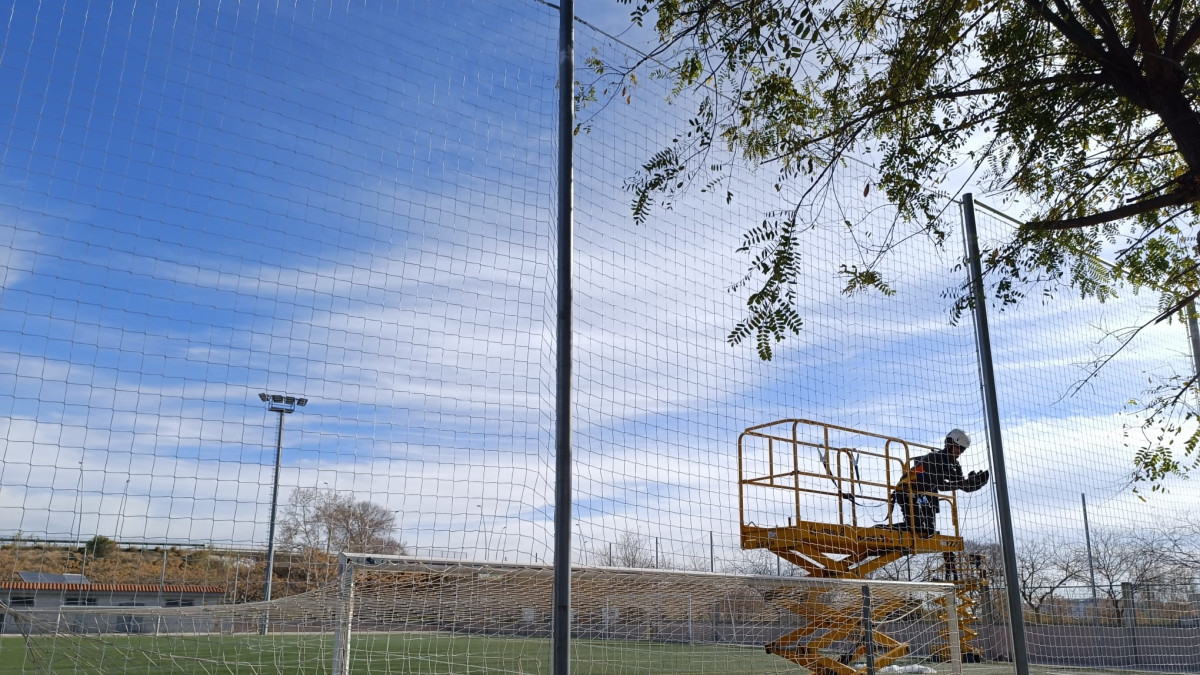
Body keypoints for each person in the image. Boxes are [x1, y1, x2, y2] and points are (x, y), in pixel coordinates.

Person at [890, 429, 989, 537]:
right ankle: (884, 531)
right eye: (959, 448)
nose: (960, 452)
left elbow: (962, 485)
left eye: (963, 450)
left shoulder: (955, 465)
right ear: (950, 444)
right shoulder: (934, 458)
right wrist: (963, 483)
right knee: (916, 526)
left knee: (929, 528)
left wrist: (975, 484)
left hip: (920, 495)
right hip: (905, 490)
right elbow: (941, 485)